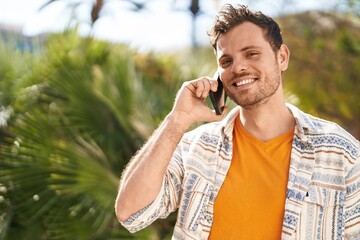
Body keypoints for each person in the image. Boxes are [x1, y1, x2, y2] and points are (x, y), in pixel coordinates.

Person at [115, 3, 360, 240]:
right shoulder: (197, 148)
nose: (238, 67)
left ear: (282, 57)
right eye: (226, 61)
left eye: (251, 53)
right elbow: (131, 213)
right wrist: (177, 120)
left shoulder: (341, 153)